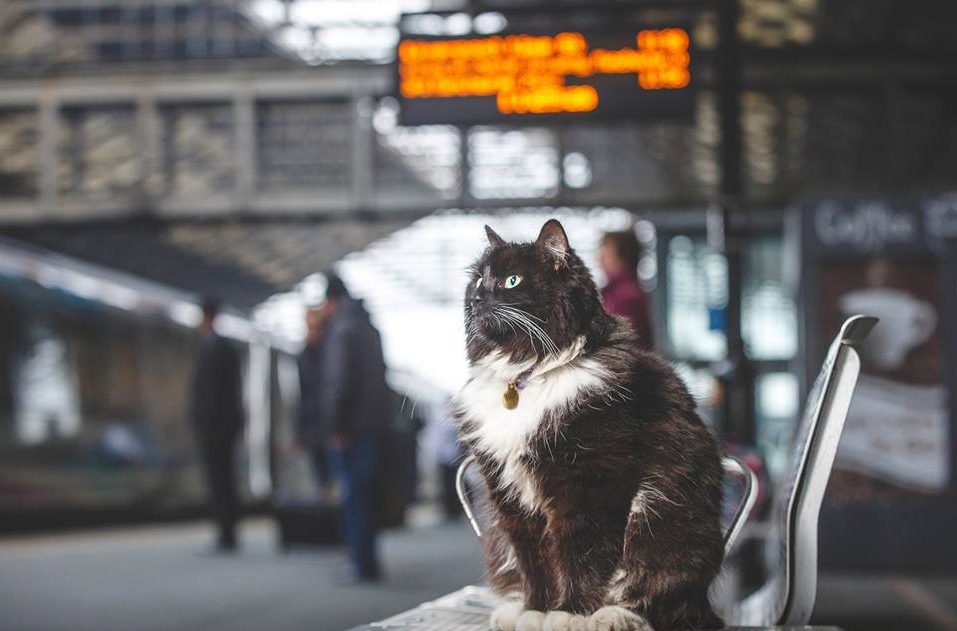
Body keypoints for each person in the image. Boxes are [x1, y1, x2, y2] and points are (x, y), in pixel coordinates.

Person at [318, 274, 390, 583]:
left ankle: (360, 565)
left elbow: (338, 383)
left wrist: (336, 427)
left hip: (350, 430)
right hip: (373, 427)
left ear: (331, 301)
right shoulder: (370, 329)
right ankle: (369, 561)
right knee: (366, 496)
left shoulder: (342, 330)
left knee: (353, 498)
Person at [190, 298, 244, 552]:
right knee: (223, 481)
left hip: (217, 429)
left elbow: (214, 394)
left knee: (221, 481)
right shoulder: (220, 348)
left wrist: (204, 423)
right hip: (221, 427)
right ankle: (227, 532)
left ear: (207, 317)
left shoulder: (216, 349)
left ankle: (227, 535)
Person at [297, 307, 333, 499]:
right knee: (321, 482)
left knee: (334, 482)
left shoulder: (331, 353)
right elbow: (303, 397)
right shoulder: (303, 356)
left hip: (330, 429)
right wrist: (301, 434)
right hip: (313, 430)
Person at [599, 229, 654, 352]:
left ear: (621, 255)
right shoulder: (617, 293)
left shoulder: (626, 297)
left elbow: (618, 347)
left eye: (606, 251)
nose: (600, 258)